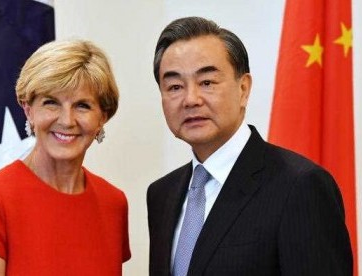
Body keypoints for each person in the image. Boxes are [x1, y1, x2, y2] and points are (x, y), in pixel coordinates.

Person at [147, 16, 352, 276]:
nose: (191, 99)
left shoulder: (299, 186)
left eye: (207, 82)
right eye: (175, 86)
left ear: (243, 89)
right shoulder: (162, 194)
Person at [0, 39, 131, 275]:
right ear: (29, 110)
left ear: (102, 117)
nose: (66, 120)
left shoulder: (114, 203)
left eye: (82, 106)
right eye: (51, 103)